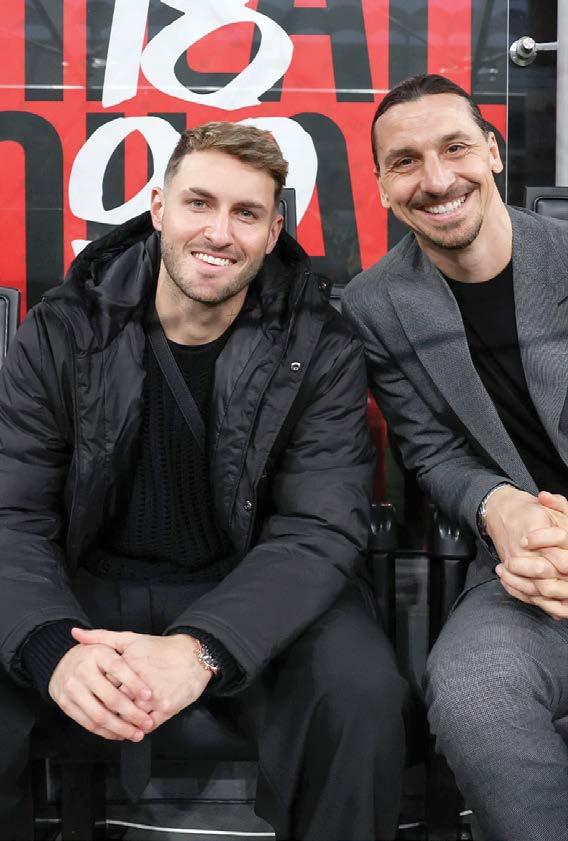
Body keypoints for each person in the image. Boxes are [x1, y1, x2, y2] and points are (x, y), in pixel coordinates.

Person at [0, 121, 406, 841]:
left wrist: (203, 649)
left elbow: (318, 528)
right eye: (199, 203)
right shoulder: (63, 328)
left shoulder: (320, 345)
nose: (219, 232)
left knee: (360, 690)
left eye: (246, 213)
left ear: (273, 231)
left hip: (249, 585)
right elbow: (12, 513)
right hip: (85, 586)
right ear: (159, 208)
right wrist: (50, 645)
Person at [342, 74, 568, 841]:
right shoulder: (375, 303)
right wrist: (498, 506)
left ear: (494, 152)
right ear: (381, 186)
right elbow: (430, 449)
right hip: (524, 573)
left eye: (455, 148)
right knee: (473, 689)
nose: (436, 180)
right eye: (405, 162)